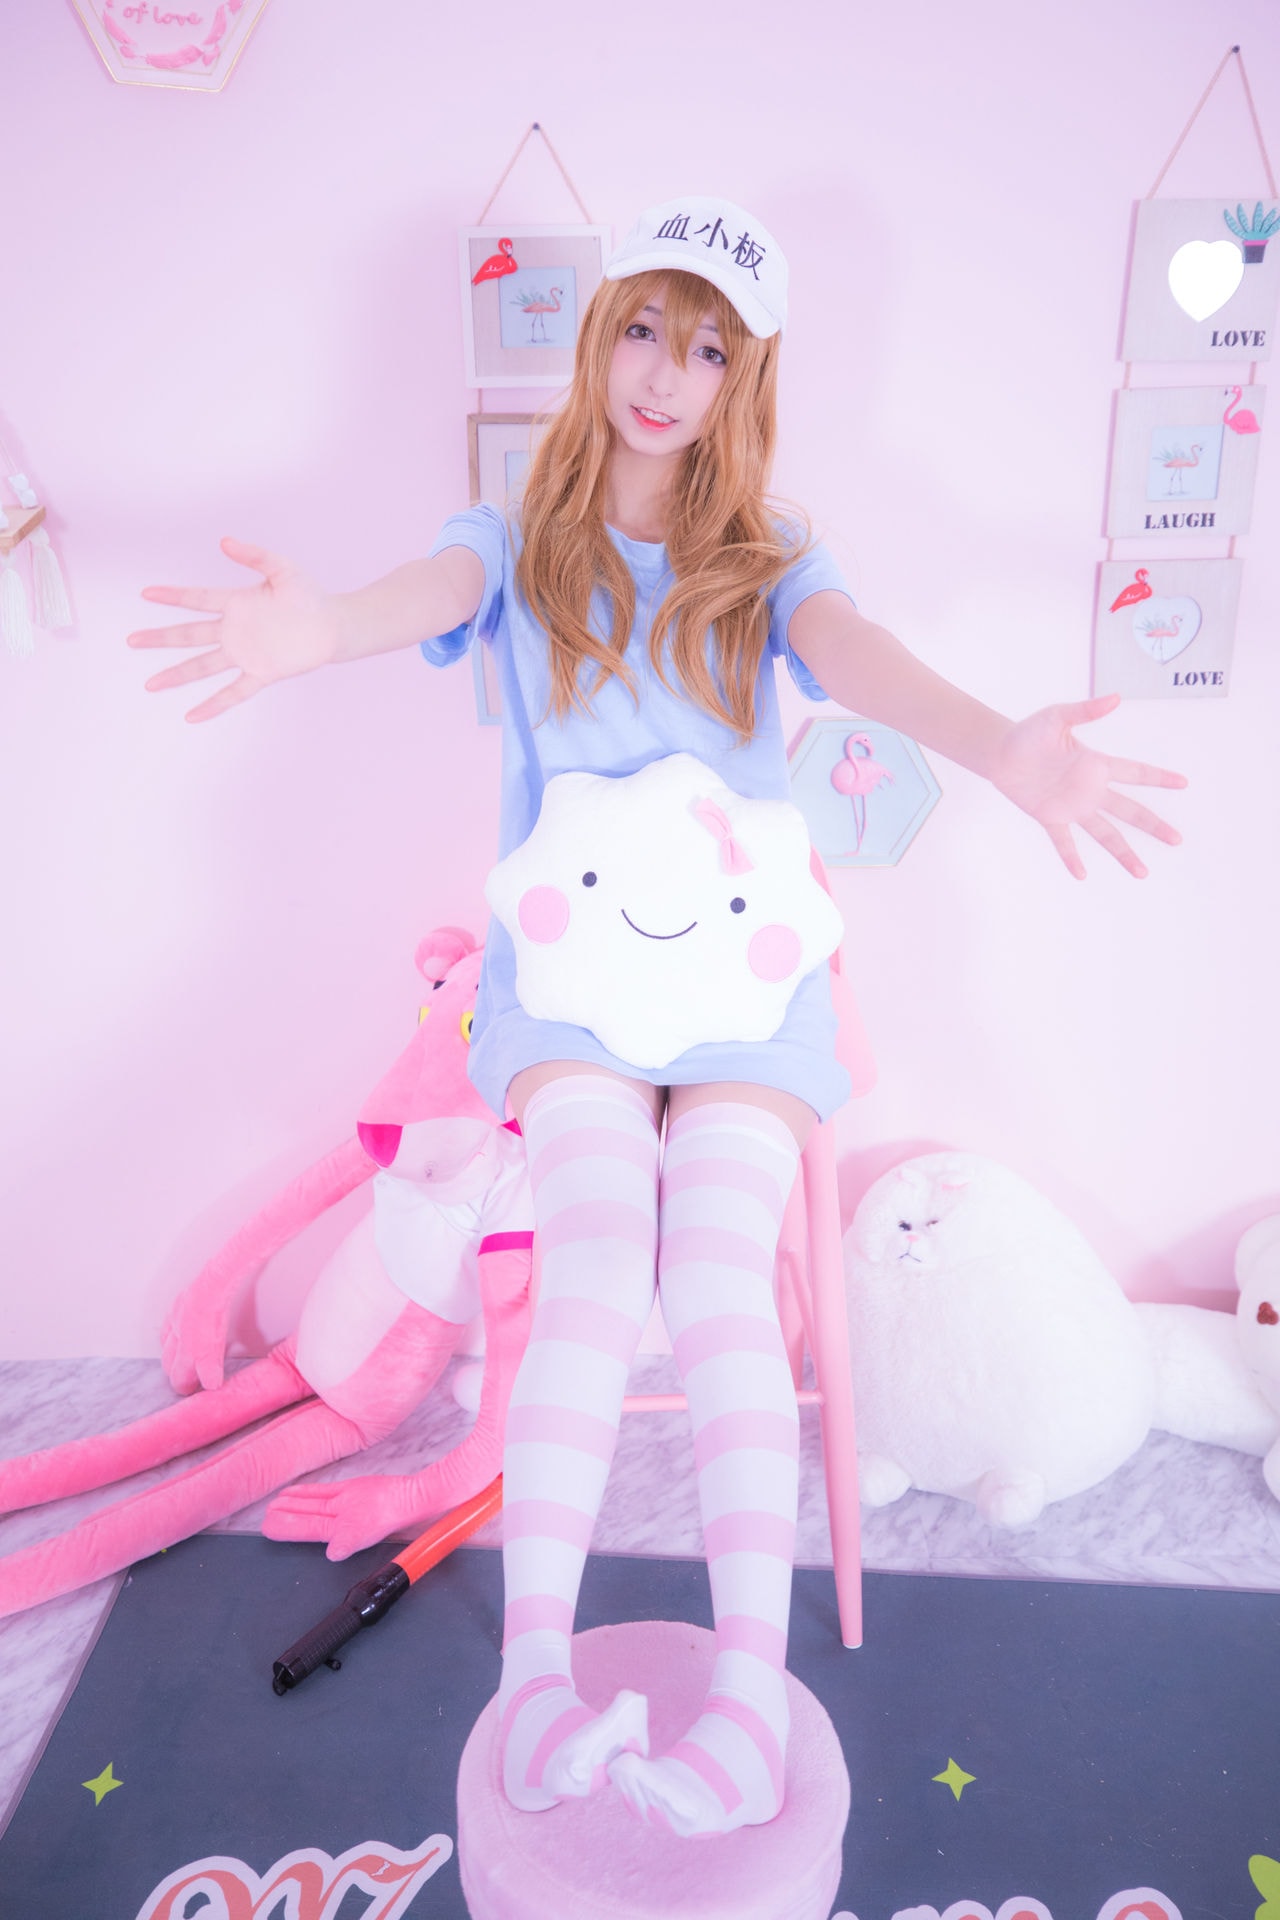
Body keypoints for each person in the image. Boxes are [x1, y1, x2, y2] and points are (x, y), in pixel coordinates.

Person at [129, 195, 1185, 1839]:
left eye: (704, 348)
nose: (663, 374)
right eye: (642, 328)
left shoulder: (772, 560)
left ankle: (748, 1703)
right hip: (572, 990)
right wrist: (314, 630)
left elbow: (861, 653)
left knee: (717, 1281)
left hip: (744, 988)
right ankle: (532, 1685)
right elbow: (407, 597)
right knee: (598, 1270)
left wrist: (1000, 747)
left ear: (740, 377)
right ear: (598, 334)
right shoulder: (514, 545)